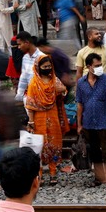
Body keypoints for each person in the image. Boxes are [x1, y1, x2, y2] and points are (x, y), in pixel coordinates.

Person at [76, 53, 106, 189]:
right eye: (97, 66)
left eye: (101, 65)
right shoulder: (81, 83)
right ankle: (99, 178)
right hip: (88, 123)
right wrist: (79, 124)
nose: (100, 68)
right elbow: (79, 104)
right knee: (94, 152)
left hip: (105, 122)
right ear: (89, 67)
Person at [25, 55, 68, 185]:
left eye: (49, 66)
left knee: (54, 145)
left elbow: (64, 92)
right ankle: (39, 175)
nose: (47, 69)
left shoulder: (54, 80)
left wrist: (63, 90)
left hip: (53, 117)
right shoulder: (33, 83)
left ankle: (53, 173)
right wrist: (31, 122)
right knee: (39, 147)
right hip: (38, 119)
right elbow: (30, 105)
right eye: (44, 67)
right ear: (38, 68)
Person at [14, 32, 41, 103]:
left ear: (27, 43)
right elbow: (24, 78)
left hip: (41, 98)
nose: (18, 47)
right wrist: (19, 95)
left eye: (20, 44)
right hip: (30, 98)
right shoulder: (25, 58)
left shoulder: (41, 57)